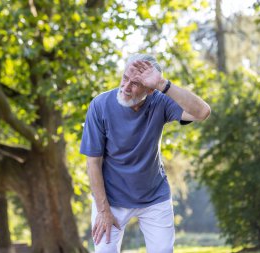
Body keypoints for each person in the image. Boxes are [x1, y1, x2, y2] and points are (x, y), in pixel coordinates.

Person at [80, 54, 211, 253]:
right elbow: (93, 163)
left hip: (153, 197)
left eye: (135, 84)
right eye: (125, 78)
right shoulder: (100, 105)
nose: (125, 87)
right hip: (111, 200)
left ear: (150, 90)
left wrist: (162, 84)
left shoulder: (160, 102)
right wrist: (103, 210)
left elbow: (202, 112)